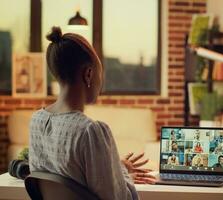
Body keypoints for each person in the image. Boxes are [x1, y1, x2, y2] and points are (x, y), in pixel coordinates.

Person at [29, 27, 155, 200]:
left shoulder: (37, 121)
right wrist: (123, 175)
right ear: (88, 74)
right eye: (100, 74)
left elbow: (73, 179)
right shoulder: (90, 131)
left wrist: (116, 168)